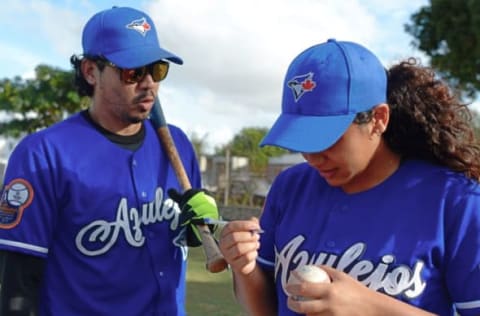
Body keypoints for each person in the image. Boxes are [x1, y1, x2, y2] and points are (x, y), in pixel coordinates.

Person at [218, 38, 480, 315]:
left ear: (378, 119)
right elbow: (266, 310)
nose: (312, 156)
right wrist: (244, 268)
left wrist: (370, 307)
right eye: (301, 140)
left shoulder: (456, 201)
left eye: (325, 139)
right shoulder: (291, 187)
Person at [0, 6, 218, 316]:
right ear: (91, 71)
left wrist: (199, 227)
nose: (148, 83)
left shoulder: (178, 145)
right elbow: (19, 286)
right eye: (133, 71)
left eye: (157, 69)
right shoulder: (43, 154)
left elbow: (183, 240)